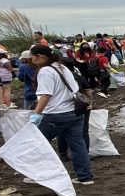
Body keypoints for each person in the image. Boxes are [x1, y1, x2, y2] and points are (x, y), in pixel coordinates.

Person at [28, 45, 94, 184]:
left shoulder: (46, 71)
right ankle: (85, 177)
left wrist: (36, 114)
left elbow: (45, 95)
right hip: (74, 112)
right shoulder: (62, 67)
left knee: (39, 143)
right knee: (78, 145)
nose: (31, 59)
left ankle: (38, 175)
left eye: (32, 56)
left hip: (55, 114)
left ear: (39, 56)